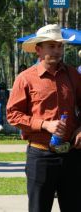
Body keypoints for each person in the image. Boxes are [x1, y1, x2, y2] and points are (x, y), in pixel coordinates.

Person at [6, 24, 81, 212]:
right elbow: (13, 115)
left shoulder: (73, 75)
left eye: (60, 46)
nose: (57, 51)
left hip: (72, 155)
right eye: (51, 46)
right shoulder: (25, 78)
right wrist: (44, 125)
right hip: (41, 157)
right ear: (38, 49)